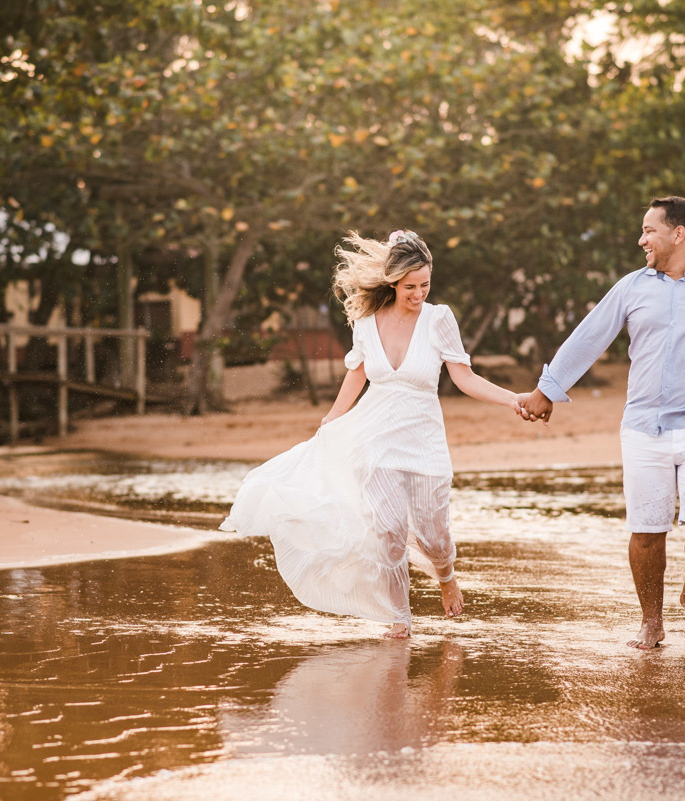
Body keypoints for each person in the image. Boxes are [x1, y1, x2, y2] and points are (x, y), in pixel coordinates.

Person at [222, 229, 523, 638]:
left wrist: (513, 400)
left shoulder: (439, 319)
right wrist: (331, 421)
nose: (419, 294)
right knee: (389, 531)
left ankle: (446, 574)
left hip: (424, 441)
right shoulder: (366, 322)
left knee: (434, 535)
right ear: (392, 283)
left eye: (425, 285)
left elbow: (465, 378)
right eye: (410, 287)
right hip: (375, 437)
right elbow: (357, 375)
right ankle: (398, 618)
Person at [517, 196, 685, 650]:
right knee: (646, 531)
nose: (642, 240)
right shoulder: (631, 287)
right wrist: (547, 389)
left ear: (677, 233)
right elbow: (589, 337)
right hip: (643, 427)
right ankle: (651, 620)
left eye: (649, 231)